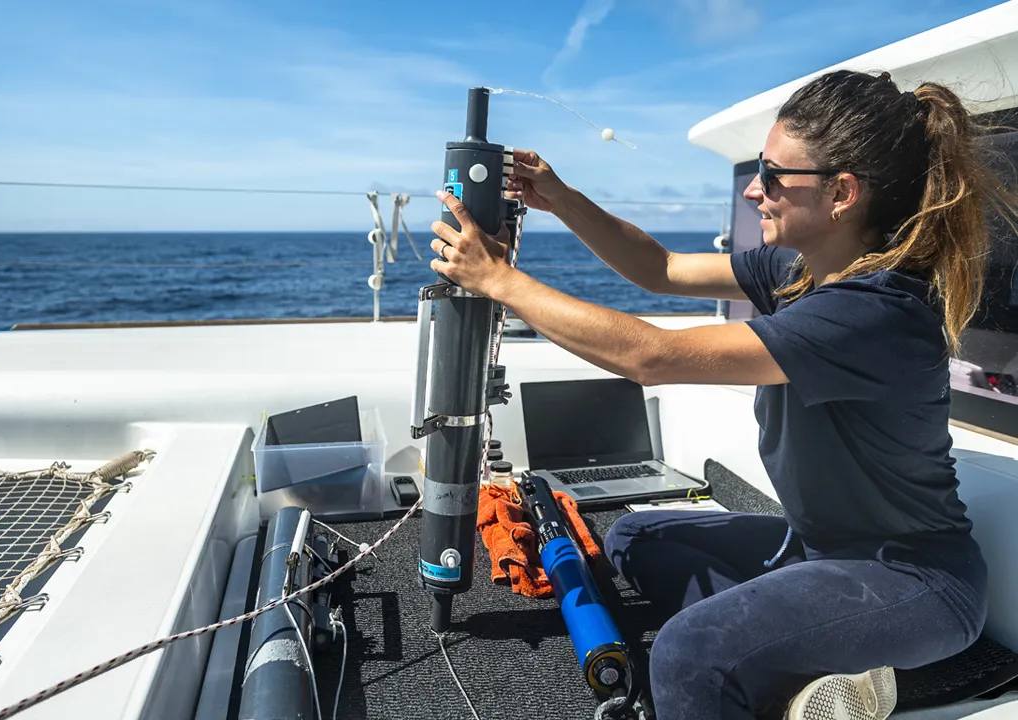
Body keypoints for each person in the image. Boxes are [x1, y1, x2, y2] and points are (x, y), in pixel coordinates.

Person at [429, 69, 1018, 720]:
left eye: (772, 175)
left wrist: (500, 281)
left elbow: (649, 357)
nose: (753, 190)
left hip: (914, 582)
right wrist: (562, 199)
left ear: (842, 193)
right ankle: (802, 669)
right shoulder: (802, 271)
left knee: (689, 653)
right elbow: (661, 268)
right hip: (821, 550)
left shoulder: (875, 314)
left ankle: (860, 668)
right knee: (634, 537)